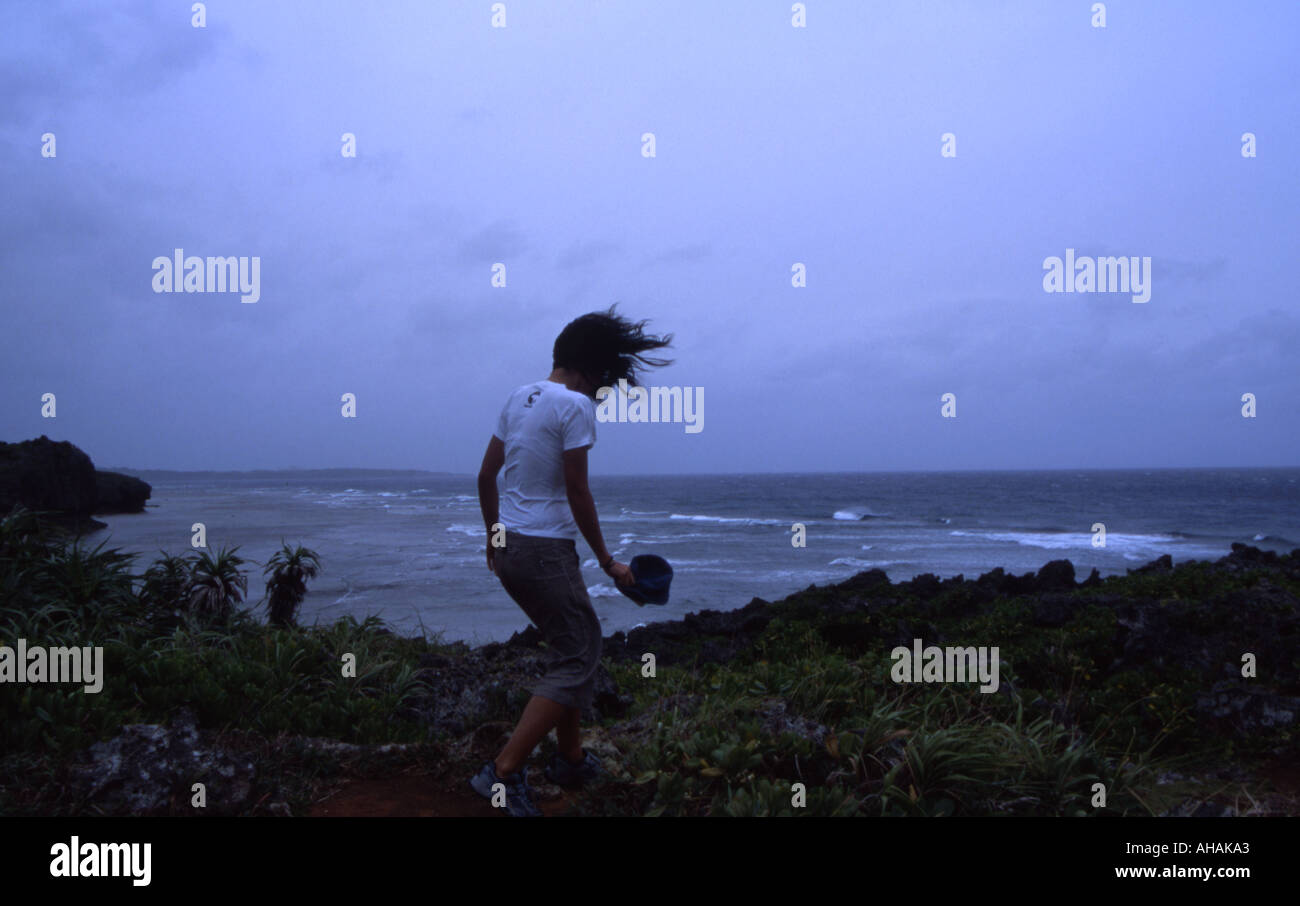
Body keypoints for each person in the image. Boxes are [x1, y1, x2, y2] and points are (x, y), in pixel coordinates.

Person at [470, 306, 673, 816]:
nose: (602, 387)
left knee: (570, 648)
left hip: (513, 549)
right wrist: (609, 561)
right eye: (604, 376)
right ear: (590, 367)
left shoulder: (520, 396)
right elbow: (578, 491)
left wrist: (494, 538)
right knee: (581, 652)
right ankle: (501, 773)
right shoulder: (576, 406)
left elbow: (485, 476)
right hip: (545, 551)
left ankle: (571, 759)